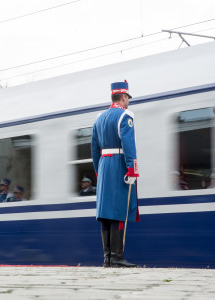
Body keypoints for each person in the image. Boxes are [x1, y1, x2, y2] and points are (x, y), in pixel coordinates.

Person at [91, 80, 139, 268]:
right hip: (119, 165)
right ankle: (117, 257)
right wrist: (132, 169)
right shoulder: (125, 116)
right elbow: (129, 145)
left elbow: (94, 148)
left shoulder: (99, 118)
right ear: (124, 97)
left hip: (103, 166)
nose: (128, 102)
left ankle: (107, 258)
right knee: (119, 210)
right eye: (128, 98)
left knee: (105, 213)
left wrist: (98, 170)